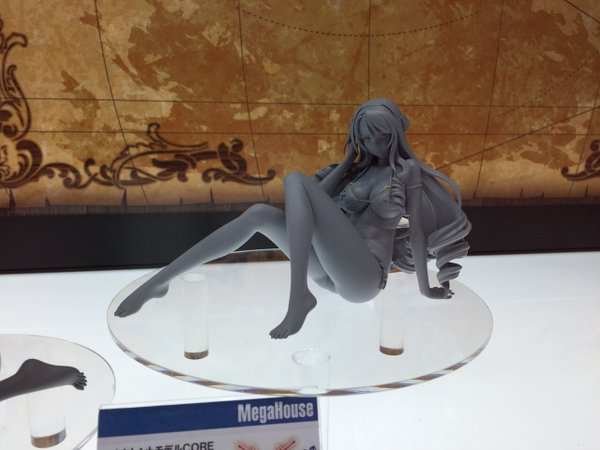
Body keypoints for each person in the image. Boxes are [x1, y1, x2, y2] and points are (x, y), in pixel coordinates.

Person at [115, 98, 470, 339]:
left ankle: (298, 296)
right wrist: (348, 163)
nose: (372, 142)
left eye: (380, 135)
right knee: (259, 214)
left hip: (363, 279)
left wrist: (426, 288)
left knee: (296, 180)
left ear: (395, 133)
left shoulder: (405, 172)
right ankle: (160, 281)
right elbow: (314, 202)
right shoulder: (356, 170)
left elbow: (418, 233)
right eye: (364, 137)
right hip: (328, 271)